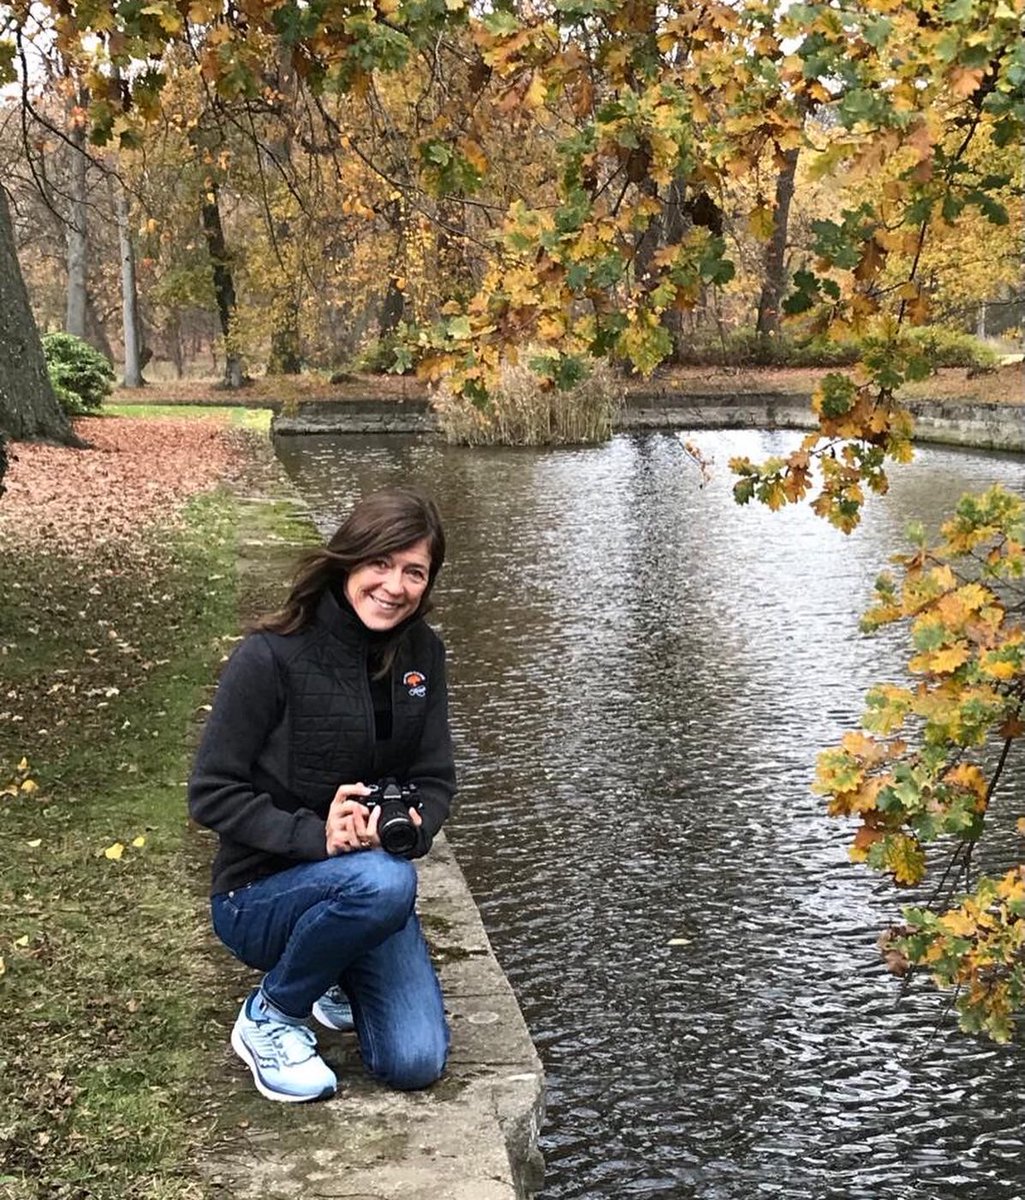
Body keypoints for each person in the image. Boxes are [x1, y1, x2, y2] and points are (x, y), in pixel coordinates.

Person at [188, 486, 455, 1103]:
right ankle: (271, 1014)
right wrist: (316, 835)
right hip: (258, 895)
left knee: (415, 1061)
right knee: (387, 883)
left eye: (414, 571)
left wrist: (415, 821)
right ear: (348, 562)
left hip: (361, 888)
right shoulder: (270, 655)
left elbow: (436, 778)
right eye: (381, 563)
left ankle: (333, 967)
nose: (395, 586)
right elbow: (210, 792)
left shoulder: (423, 656)